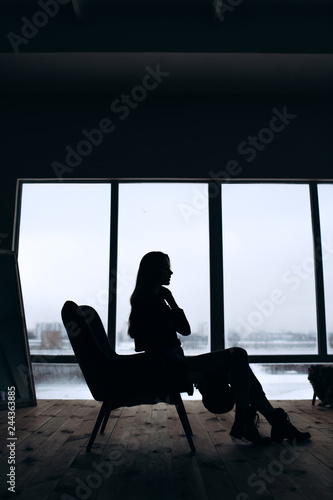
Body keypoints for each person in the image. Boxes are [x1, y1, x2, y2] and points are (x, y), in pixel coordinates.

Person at [128, 251, 311, 445]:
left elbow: (185, 330)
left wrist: (172, 301)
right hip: (174, 367)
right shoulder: (146, 304)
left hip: (178, 363)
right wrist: (186, 373)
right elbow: (151, 350)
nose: (171, 272)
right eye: (166, 267)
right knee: (238, 355)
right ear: (154, 271)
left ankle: (265, 422)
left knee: (241, 367)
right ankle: (253, 421)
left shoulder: (157, 301)